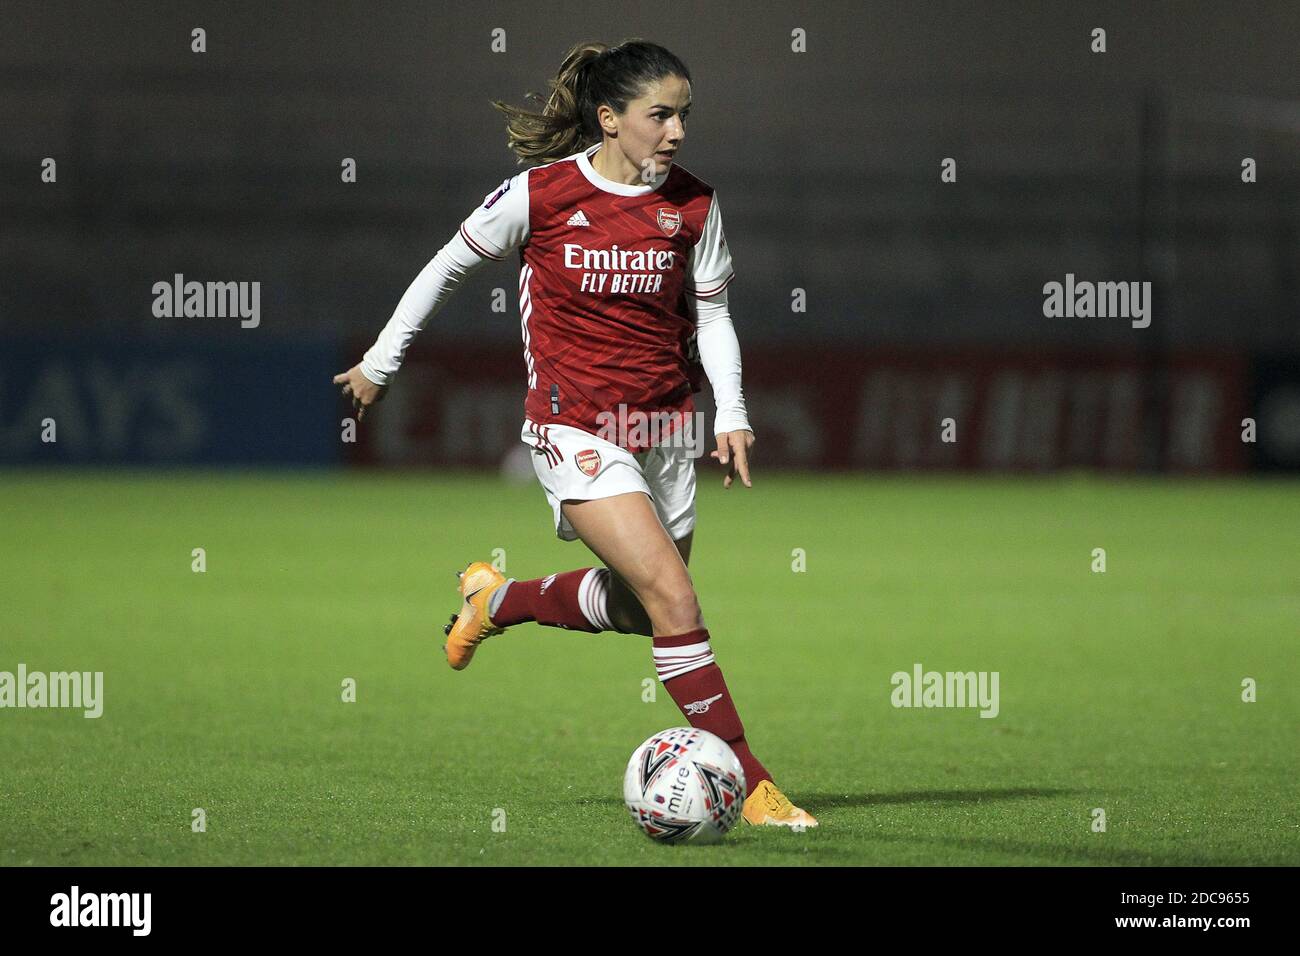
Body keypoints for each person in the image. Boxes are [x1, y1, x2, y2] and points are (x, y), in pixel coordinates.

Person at [333, 39, 815, 828]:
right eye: (660, 115)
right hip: (575, 425)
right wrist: (381, 363)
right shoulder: (543, 194)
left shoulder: (694, 205)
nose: (677, 132)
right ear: (609, 118)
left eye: (684, 116)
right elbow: (446, 265)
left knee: (639, 610)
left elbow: (717, 311)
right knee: (675, 596)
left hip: (663, 427)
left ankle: (497, 600)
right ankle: (752, 782)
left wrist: (730, 411)